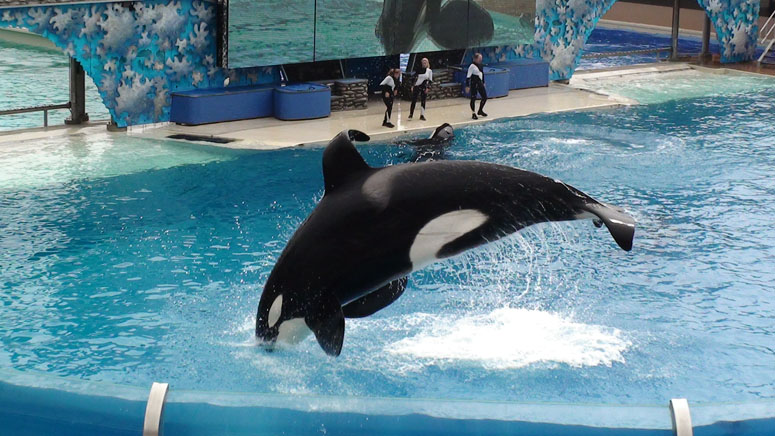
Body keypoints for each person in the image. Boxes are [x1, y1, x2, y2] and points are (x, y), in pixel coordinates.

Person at [466, 53, 488, 120]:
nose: (481, 59)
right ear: (475, 59)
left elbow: (482, 73)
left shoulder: (480, 65)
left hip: (480, 83)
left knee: (484, 97)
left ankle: (480, 110)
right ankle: (473, 113)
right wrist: (467, 86)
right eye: (479, 58)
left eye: (481, 58)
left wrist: (483, 82)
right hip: (474, 83)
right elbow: (468, 77)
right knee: (473, 98)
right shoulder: (472, 66)